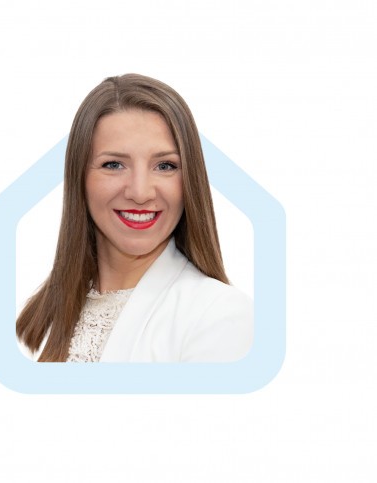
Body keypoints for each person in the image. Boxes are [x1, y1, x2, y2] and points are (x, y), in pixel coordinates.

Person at [17, 73, 253, 362]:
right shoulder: (35, 321)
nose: (140, 193)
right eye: (114, 164)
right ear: (79, 177)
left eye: (165, 166)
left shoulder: (220, 315)